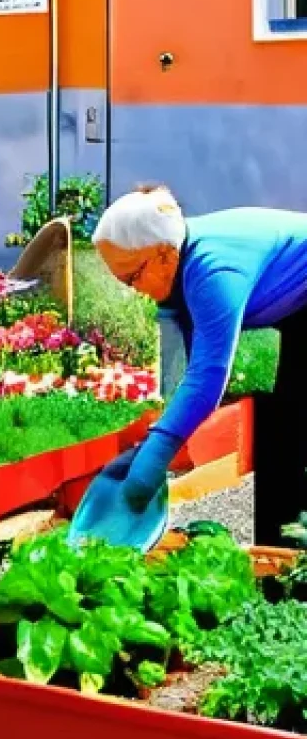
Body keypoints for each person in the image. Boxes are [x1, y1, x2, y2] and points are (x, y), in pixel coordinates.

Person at [91, 184, 307, 544]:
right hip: (298, 302)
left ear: (164, 255)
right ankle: (279, 550)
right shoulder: (176, 263)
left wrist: (154, 458)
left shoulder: (212, 273)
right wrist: (153, 441)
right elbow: (183, 371)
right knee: (281, 422)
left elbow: (207, 378)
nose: (133, 289)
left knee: (292, 418)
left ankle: (289, 547)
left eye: (133, 277)